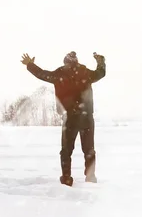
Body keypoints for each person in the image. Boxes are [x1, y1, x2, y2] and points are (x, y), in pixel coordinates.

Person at [21, 51, 106, 186]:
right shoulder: (86, 73)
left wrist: (30, 64)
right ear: (76, 62)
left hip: (70, 118)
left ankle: (66, 178)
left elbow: (41, 74)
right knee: (89, 150)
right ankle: (90, 177)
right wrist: (100, 61)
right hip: (87, 118)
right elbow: (101, 73)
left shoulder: (60, 74)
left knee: (66, 151)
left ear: (65, 62)